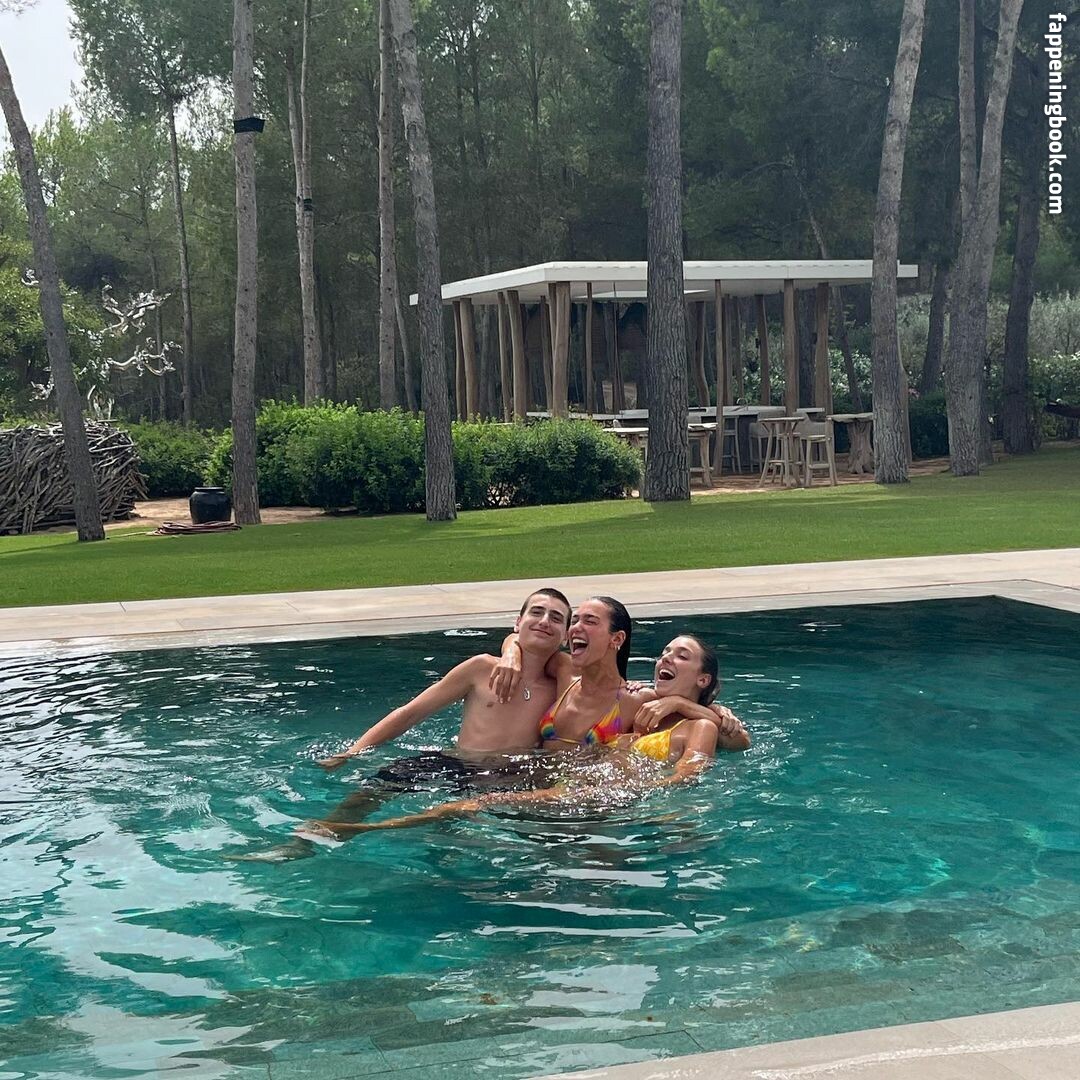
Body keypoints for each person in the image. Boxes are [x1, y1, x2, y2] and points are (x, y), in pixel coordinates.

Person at [231, 588, 571, 860]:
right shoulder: (480, 668)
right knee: (373, 788)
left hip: (509, 775)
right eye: (536, 612)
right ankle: (302, 843)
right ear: (517, 622)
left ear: (566, 636)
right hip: (455, 762)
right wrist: (352, 752)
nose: (544, 621)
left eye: (556, 618)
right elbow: (410, 713)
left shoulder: (563, 686)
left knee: (451, 832)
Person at [314, 632, 750, 837]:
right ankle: (351, 828)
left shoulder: (698, 724)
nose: (665, 658)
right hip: (586, 786)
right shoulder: (645, 711)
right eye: (665, 652)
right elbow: (530, 641)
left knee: (470, 806)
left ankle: (361, 831)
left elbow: (693, 771)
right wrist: (510, 650)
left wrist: (694, 711)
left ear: (703, 678)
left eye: (681, 656)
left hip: (611, 794)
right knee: (466, 806)